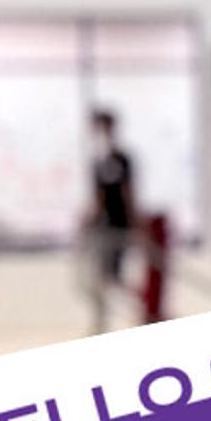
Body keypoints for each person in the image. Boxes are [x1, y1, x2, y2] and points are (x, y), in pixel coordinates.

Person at [80, 109, 137, 332]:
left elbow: (123, 192)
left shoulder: (118, 159)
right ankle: (101, 323)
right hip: (104, 226)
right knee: (101, 277)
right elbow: (99, 195)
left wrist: (134, 222)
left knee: (111, 276)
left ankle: (141, 308)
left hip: (116, 225)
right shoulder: (100, 160)